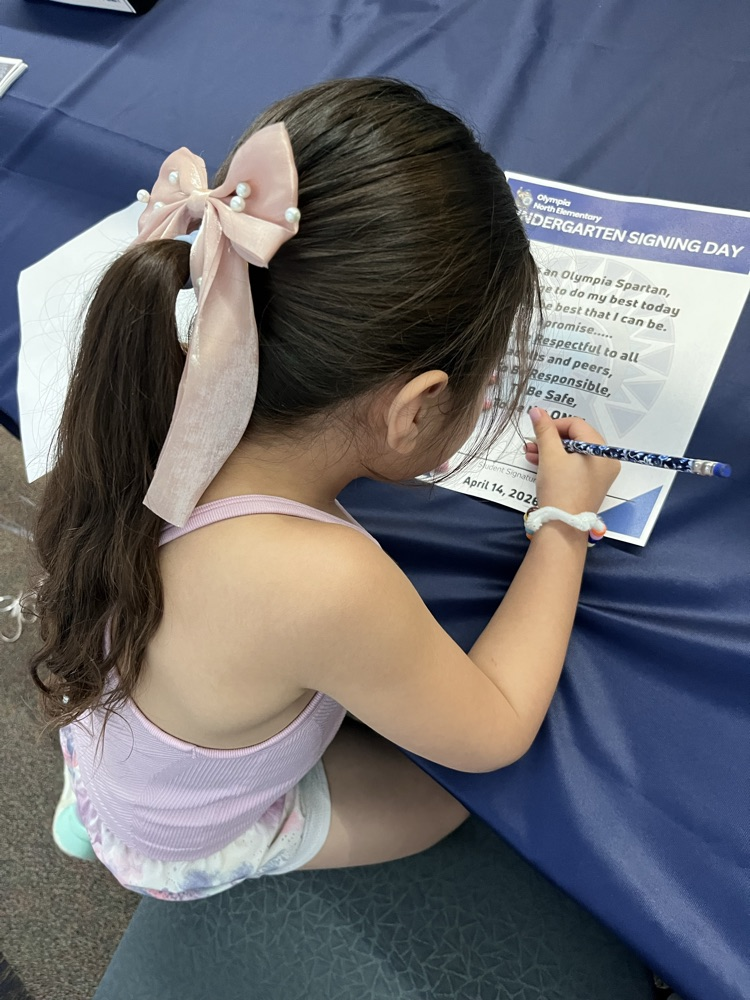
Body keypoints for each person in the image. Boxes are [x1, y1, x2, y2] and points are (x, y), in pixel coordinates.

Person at [28, 77, 618, 901]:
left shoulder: (153, 381)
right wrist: (564, 520)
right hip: (176, 838)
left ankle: (89, 813)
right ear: (414, 409)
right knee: (445, 804)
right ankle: (125, 839)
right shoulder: (324, 583)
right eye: (488, 379)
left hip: (106, 729)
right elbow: (493, 731)